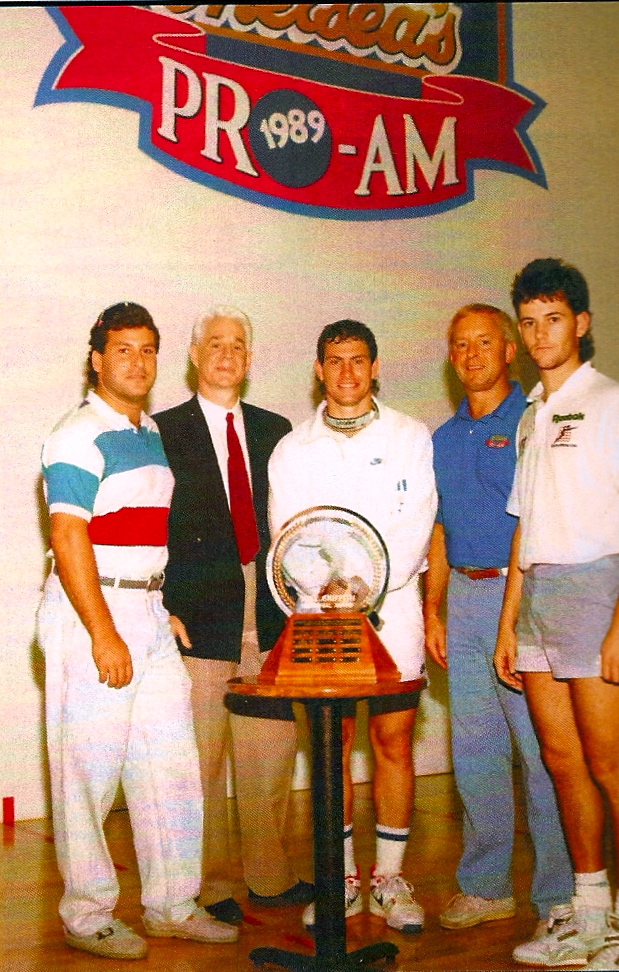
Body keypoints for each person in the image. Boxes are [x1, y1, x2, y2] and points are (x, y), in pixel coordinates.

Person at [38, 302, 239, 961]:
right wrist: (103, 630)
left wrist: (156, 604)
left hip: (147, 614)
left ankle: (173, 903)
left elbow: (141, 534)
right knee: (88, 770)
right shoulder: (78, 434)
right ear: (97, 359)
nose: (137, 361)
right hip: (91, 613)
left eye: (147, 349)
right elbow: (69, 535)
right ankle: (88, 913)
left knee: (170, 764)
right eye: (122, 349)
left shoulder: (150, 432)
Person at [495, 259, 619, 971]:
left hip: (596, 593)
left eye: (554, 319)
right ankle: (589, 915)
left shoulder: (616, 403)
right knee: (562, 764)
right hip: (537, 599)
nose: (541, 333)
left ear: (582, 324)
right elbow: (522, 528)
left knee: (611, 765)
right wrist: (509, 623)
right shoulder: (531, 415)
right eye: (530, 322)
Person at [268, 319, 437, 934]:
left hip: (393, 612)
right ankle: (339, 881)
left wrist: (364, 585)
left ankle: (390, 879)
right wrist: (329, 590)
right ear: (319, 369)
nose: (346, 373)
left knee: (393, 743)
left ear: (374, 366)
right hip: (320, 617)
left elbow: (415, 522)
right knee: (332, 749)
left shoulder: (410, 436)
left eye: (357, 361)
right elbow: (290, 533)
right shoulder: (292, 448)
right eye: (334, 361)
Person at [154, 307, 312, 921]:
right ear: (195, 356)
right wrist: (161, 608)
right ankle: (212, 886)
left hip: (268, 620)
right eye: (215, 344)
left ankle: (270, 878)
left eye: (238, 345)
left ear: (249, 359)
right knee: (200, 763)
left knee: (269, 754)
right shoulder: (164, 431)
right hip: (198, 624)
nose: (226, 354)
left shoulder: (278, 431)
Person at [424, 304, 573, 932]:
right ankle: (486, 887)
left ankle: (560, 895)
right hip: (463, 599)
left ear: (508, 350)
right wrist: (432, 608)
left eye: (484, 342)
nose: (472, 354)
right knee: (476, 750)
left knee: (542, 752)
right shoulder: (442, 436)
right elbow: (437, 528)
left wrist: (511, 621)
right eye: (461, 345)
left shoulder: (532, 422)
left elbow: (531, 525)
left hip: (529, 601)